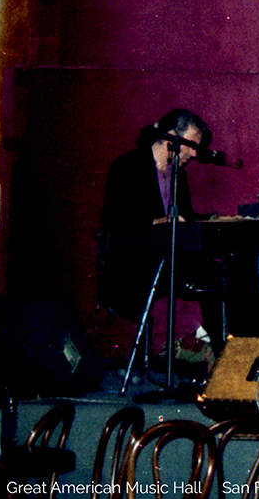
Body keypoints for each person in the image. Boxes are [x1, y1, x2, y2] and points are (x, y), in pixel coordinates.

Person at [98, 108, 225, 355]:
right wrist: (157, 221)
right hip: (133, 262)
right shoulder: (128, 166)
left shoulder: (179, 174)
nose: (194, 154)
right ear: (170, 138)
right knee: (207, 275)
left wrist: (214, 219)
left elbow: (185, 217)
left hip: (167, 259)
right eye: (191, 146)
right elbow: (117, 221)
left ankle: (224, 354)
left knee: (218, 274)